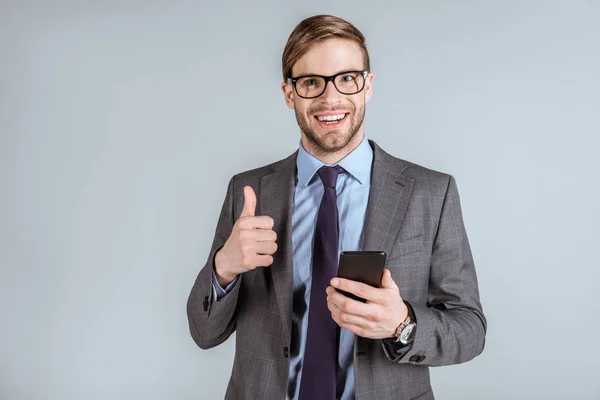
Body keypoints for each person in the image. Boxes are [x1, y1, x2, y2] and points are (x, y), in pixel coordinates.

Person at [187, 14, 486, 400]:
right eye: (311, 82)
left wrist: (402, 324)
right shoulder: (250, 192)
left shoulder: (431, 192)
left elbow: (470, 329)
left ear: (368, 86)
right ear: (289, 93)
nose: (331, 98)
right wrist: (224, 268)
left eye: (346, 78)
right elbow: (204, 331)